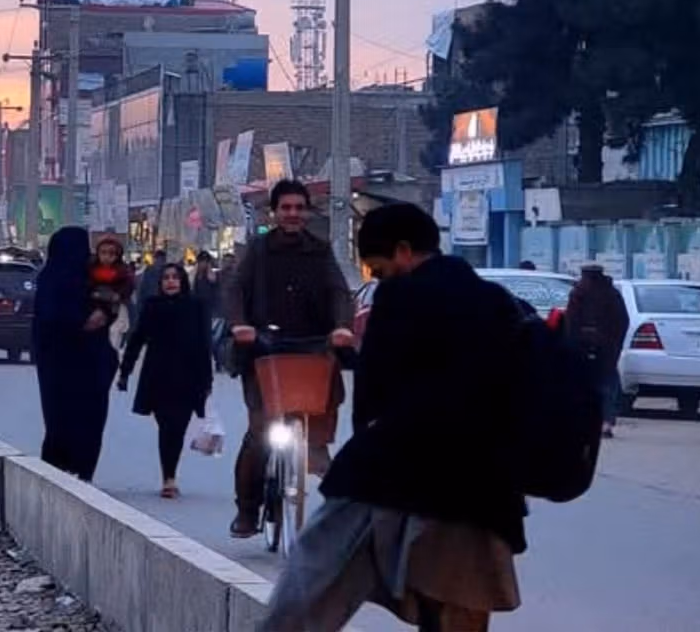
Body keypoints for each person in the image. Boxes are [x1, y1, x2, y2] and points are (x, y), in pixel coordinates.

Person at [262, 202, 524, 632]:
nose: (380, 279)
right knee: (455, 608)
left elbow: (373, 396)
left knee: (309, 585)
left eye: (379, 269)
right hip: (484, 493)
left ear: (403, 252)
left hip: (394, 479)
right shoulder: (497, 301)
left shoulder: (401, 296)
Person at [225, 179, 354, 539]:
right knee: (259, 432)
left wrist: (343, 327)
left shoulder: (321, 250)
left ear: (308, 212)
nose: (293, 214)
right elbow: (236, 289)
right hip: (262, 351)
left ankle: (316, 448)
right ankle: (247, 510)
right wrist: (240, 325)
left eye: (299, 208)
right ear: (274, 212)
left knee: (323, 403)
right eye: (286, 208)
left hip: (311, 346)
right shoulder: (258, 250)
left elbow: (339, 292)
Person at [117, 262, 214, 499]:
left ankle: (171, 473)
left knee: (177, 428)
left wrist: (207, 380)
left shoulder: (196, 306)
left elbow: (204, 344)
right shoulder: (152, 306)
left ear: (182, 281)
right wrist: (125, 372)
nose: (171, 282)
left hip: (188, 376)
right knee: (166, 427)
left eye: (175, 277)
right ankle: (168, 477)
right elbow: (137, 339)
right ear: (160, 283)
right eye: (166, 278)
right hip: (158, 375)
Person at [31, 226, 118, 482]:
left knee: (87, 415)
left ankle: (82, 469)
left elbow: (112, 301)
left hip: (89, 359)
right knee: (63, 415)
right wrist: (81, 321)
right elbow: (50, 317)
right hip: (61, 359)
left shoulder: (91, 276)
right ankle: (61, 466)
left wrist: (104, 314)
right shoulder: (51, 280)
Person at [563, 262, 631, 439]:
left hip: (591, 349)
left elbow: (570, 323)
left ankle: (598, 422)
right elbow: (622, 322)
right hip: (603, 349)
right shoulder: (611, 294)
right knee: (605, 385)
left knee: (591, 385)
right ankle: (605, 423)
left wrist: (574, 343)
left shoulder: (579, 293)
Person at [90, 233, 136, 333]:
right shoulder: (91, 269)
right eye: (103, 252)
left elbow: (128, 285)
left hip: (115, 309)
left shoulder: (122, 271)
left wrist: (118, 295)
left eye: (111, 254)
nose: (107, 257)